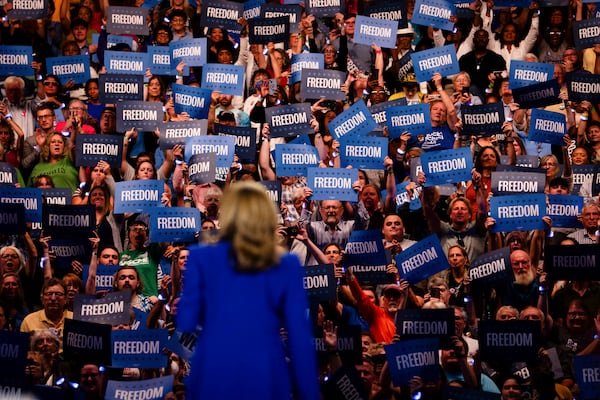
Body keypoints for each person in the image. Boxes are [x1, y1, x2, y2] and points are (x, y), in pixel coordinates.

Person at [177, 181, 319, 399]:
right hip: (266, 376)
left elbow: (186, 321)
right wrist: (310, 394)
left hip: (213, 375)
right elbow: (300, 339)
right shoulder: (286, 264)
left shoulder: (200, 257)